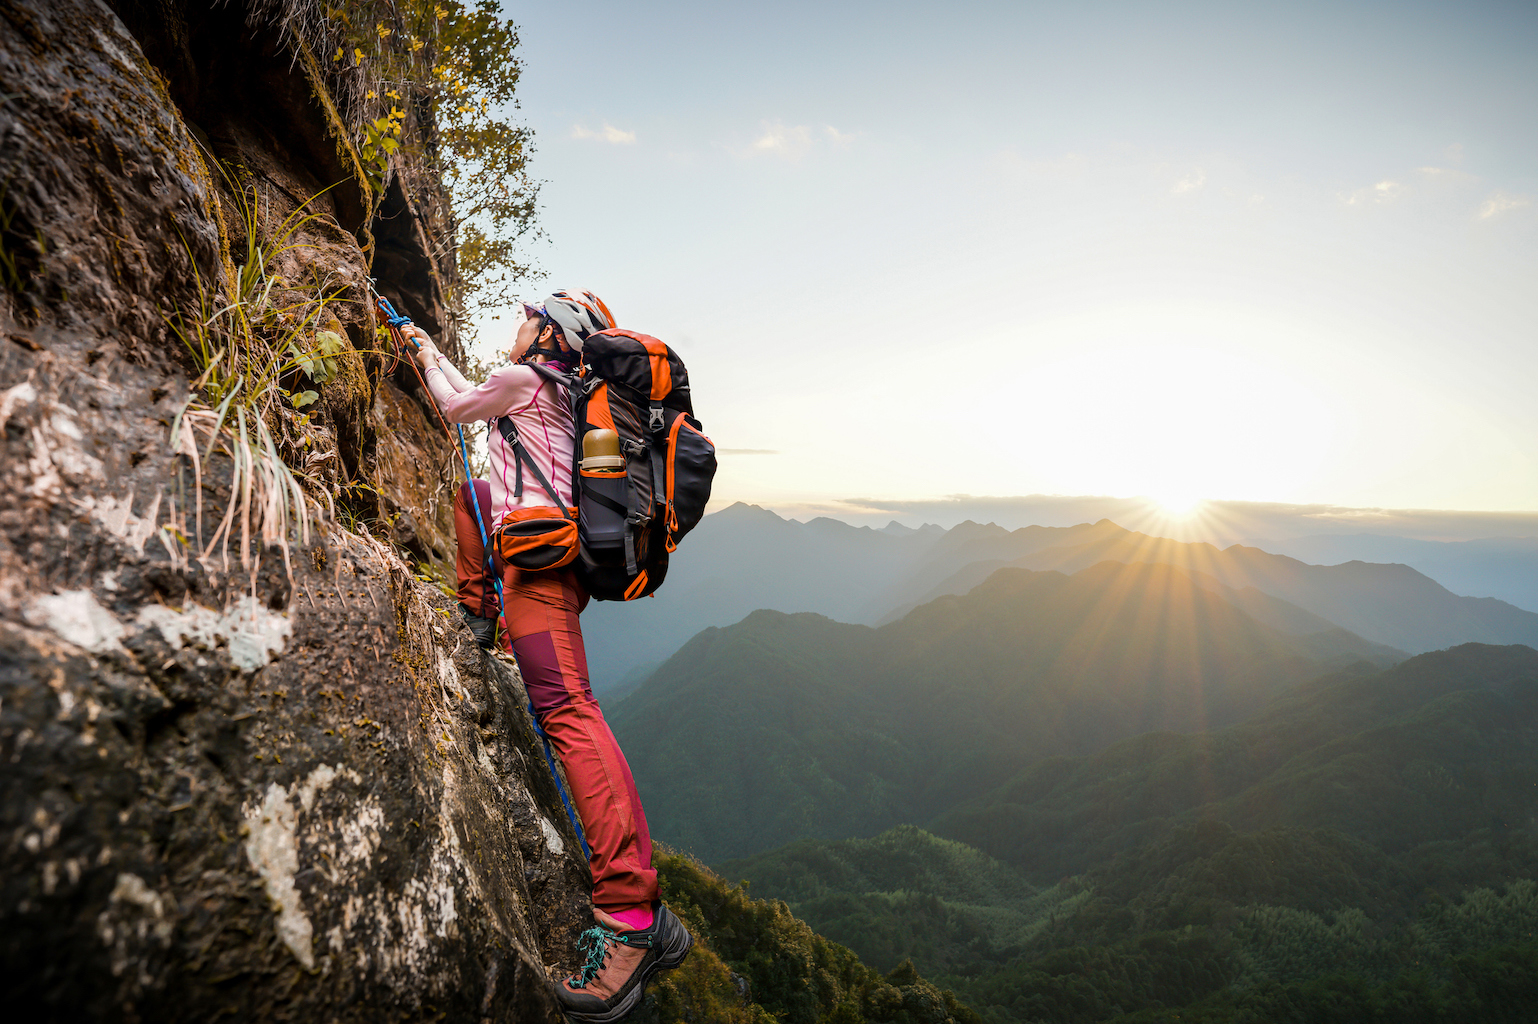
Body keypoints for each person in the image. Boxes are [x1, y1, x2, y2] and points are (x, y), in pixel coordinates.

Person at [408, 290, 692, 1022]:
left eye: (526, 315)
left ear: (548, 331)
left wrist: (421, 348)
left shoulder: (528, 382)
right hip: (546, 569)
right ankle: (476, 614)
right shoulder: (563, 393)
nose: (516, 324)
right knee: (473, 487)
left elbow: (452, 405)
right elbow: (486, 480)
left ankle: (633, 919)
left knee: (570, 715)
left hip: (539, 577)